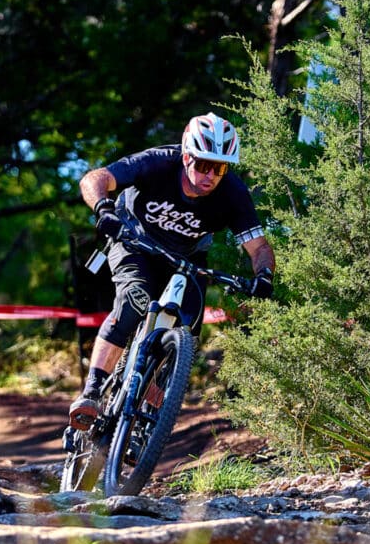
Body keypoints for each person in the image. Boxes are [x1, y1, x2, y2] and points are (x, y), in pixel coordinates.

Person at [68, 112, 276, 431]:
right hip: (135, 241)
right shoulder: (159, 163)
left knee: (188, 330)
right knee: (134, 300)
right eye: (204, 164)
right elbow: (94, 179)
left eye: (220, 168)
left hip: (186, 258)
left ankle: (148, 425)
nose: (211, 175)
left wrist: (264, 276)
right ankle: (92, 393)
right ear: (187, 156)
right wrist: (103, 209)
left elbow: (259, 248)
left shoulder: (232, 192)